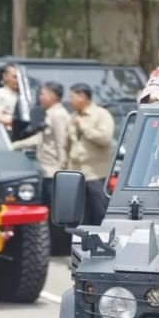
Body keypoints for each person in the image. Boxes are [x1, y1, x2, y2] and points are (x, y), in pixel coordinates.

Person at [65, 83, 115, 225]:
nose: (70, 100)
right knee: (80, 216)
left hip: (95, 174)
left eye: (72, 96)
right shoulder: (73, 116)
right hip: (76, 174)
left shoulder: (101, 114)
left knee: (100, 213)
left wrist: (85, 127)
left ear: (82, 97)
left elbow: (105, 138)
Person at [11, 81, 69, 200]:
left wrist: (62, 167)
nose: (40, 97)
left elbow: (61, 141)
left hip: (54, 170)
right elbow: (41, 138)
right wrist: (16, 145)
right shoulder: (50, 114)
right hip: (46, 169)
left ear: (52, 96)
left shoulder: (58, 115)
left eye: (42, 94)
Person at [0, 64, 20, 133]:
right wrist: (18, 122)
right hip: (6, 133)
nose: (18, 80)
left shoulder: (25, 95)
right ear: (5, 76)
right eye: (15, 77)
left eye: (20, 77)